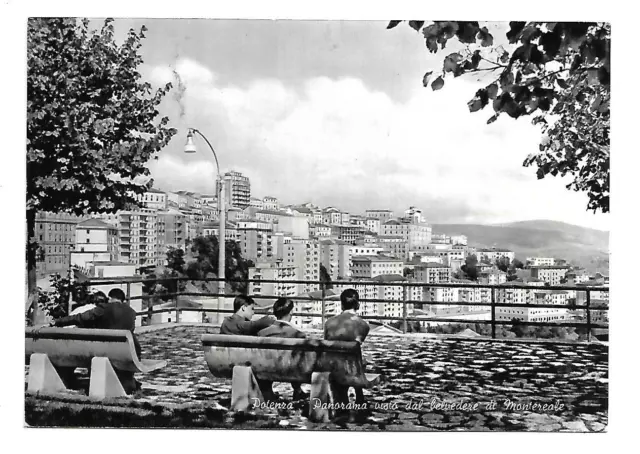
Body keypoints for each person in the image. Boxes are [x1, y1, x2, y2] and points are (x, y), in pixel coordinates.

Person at [49, 288, 142, 393]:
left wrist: (58, 322)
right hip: (129, 353)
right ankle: (127, 383)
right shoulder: (131, 312)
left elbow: (80, 318)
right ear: (122, 300)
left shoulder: (103, 308)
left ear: (110, 298)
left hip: (105, 351)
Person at [219, 295, 276, 399]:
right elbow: (253, 325)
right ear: (243, 307)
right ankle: (267, 393)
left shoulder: (226, 323)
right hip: (245, 361)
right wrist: (268, 319)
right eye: (252, 309)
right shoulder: (241, 325)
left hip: (227, 361)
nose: (253, 313)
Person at [324, 288, 371, 405]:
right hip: (353, 369)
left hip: (333, 367)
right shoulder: (363, 325)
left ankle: (341, 400)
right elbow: (357, 344)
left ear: (341, 305)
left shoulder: (328, 323)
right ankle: (359, 396)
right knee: (359, 358)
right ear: (358, 305)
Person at [258, 297, 309, 400]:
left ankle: (266, 391)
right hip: (290, 370)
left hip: (267, 368)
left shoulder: (262, 333)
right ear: (291, 312)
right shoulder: (298, 335)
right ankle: (297, 390)